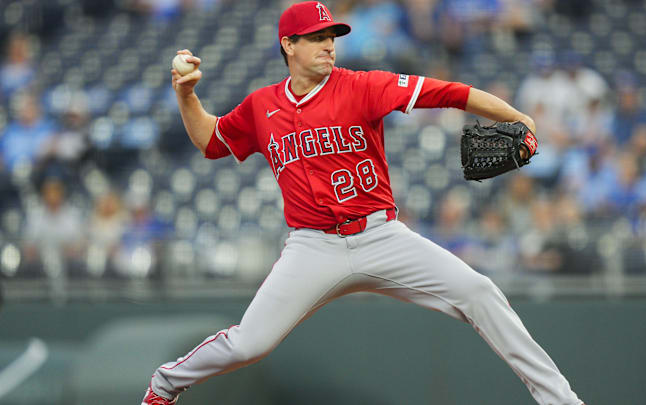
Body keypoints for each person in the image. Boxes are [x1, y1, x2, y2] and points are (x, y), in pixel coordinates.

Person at [142, 2, 584, 404]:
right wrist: (186, 95)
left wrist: (518, 118)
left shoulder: (363, 86)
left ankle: (561, 401)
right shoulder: (263, 106)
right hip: (312, 247)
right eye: (316, 37)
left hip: (381, 236)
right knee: (249, 344)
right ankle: (164, 385)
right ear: (288, 45)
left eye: (331, 37)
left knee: (480, 292)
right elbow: (210, 140)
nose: (328, 46)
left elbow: (449, 92)